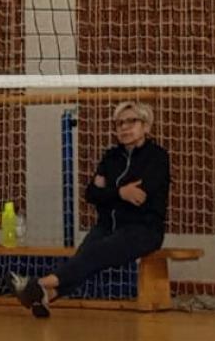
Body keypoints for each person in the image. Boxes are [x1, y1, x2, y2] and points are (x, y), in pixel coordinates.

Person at [11, 102, 170, 318]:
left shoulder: (157, 157)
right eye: (120, 123)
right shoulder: (111, 157)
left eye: (131, 121)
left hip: (143, 229)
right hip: (107, 227)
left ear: (146, 126)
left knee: (95, 253)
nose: (124, 127)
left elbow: (140, 196)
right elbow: (92, 194)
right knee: (85, 255)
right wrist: (120, 192)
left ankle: (39, 283)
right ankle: (48, 294)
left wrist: (109, 193)